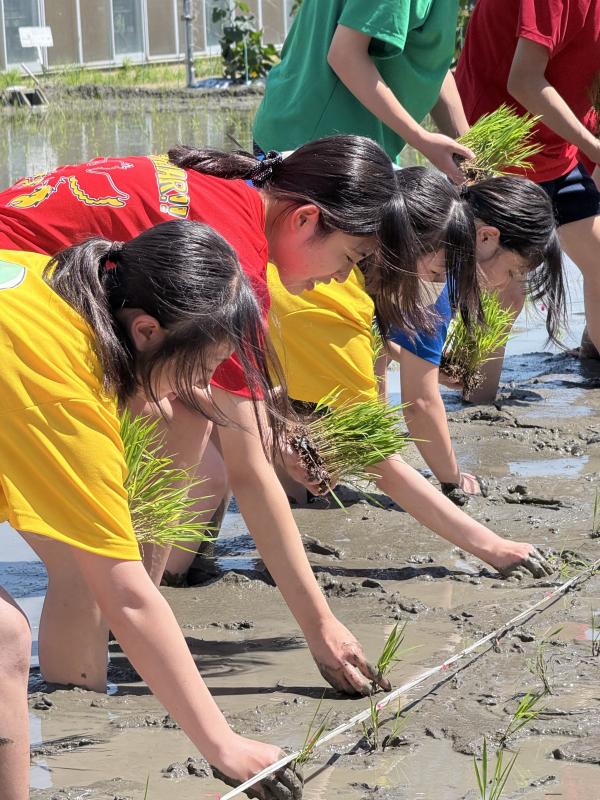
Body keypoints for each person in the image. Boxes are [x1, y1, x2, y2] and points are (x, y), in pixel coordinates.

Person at [0, 137, 418, 698]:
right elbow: (250, 471)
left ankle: (128, 619)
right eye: (350, 259)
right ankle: (82, 704)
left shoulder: (233, 195)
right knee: (85, 565)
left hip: (33, 295)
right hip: (23, 314)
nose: (340, 280)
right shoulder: (233, 269)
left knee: (184, 418)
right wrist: (322, 629)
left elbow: (209, 415)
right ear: (305, 218)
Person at [0, 221, 302, 800]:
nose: (202, 387)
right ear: (145, 330)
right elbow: (130, 595)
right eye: (203, 367)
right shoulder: (63, 391)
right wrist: (222, 744)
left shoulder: (54, 286)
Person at [267, 168, 558, 573]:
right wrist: (487, 537)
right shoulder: (350, 296)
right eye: (436, 274)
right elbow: (400, 428)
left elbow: (372, 364)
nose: (434, 284)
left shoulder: (354, 264)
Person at [455, 0, 600, 393]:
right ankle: (476, 401)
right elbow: (523, 79)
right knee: (505, 283)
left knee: (598, 255)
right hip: (502, 144)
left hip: (561, 147)